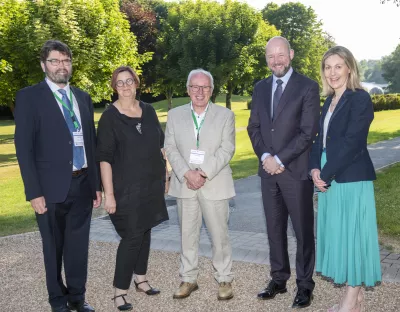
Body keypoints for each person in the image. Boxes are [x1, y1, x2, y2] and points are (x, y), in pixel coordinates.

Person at [14, 40, 102, 312]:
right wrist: (33, 192)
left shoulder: (83, 97)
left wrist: (95, 184)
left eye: (65, 61)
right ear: (44, 65)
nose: (61, 66)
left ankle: (77, 297)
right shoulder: (29, 97)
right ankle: (57, 301)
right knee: (53, 249)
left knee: (78, 249)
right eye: (55, 61)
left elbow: (90, 142)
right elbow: (24, 148)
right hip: (49, 190)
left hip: (83, 184)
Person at [247, 36, 320, 308]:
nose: (276, 60)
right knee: (274, 229)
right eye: (270, 56)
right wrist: (266, 156)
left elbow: (308, 132)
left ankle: (305, 285)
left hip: (296, 172)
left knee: (302, 232)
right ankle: (278, 279)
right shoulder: (260, 88)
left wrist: (279, 158)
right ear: (266, 59)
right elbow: (254, 127)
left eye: (280, 55)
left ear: (290, 54)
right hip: (268, 173)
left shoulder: (308, 87)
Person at [309, 46, 381, 312]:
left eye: (338, 66)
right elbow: (319, 141)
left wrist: (325, 175)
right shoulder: (328, 101)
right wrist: (314, 169)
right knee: (341, 235)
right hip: (328, 177)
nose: (332, 73)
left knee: (353, 236)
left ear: (349, 68)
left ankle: (350, 301)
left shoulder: (360, 99)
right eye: (328, 67)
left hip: (349, 178)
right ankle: (355, 298)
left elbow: (353, 143)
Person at [96, 66, 169, 311]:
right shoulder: (109, 117)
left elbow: (160, 146)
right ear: (114, 87)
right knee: (132, 237)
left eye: (129, 81)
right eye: (120, 83)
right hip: (125, 189)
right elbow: (104, 158)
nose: (126, 86)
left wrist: (166, 175)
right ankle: (119, 291)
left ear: (137, 83)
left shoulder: (148, 111)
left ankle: (141, 278)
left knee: (145, 231)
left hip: (151, 184)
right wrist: (110, 195)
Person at [164, 69, 235, 301]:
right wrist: (187, 173)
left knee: (219, 235)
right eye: (195, 87)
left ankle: (224, 277)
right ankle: (188, 278)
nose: (200, 91)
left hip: (214, 182)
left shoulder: (225, 115)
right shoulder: (174, 115)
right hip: (185, 184)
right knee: (187, 235)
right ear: (187, 89)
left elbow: (227, 148)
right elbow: (171, 148)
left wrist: (203, 173)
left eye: (205, 87)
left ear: (212, 90)